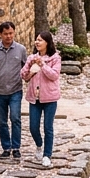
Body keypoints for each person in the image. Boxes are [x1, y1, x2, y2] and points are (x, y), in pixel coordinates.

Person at [0, 22, 28, 160]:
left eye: (11, 33)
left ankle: (16, 147)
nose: (8, 36)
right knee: (2, 121)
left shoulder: (21, 49)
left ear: (14, 33)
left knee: (15, 118)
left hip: (15, 90)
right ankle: (6, 147)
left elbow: (26, 67)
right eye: (5, 34)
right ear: (0, 34)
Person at [22, 31, 62, 167]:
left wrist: (43, 65)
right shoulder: (31, 57)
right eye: (36, 40)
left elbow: (54, 75)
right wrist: (30, 68)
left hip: (50, 97)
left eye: (40, 40)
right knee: (33, 126)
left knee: (47, 127)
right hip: (34, 97)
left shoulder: (55, 58)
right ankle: (39, 145)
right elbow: (23, 75)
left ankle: (47, 155)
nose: (37, 42)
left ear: (47, 43)